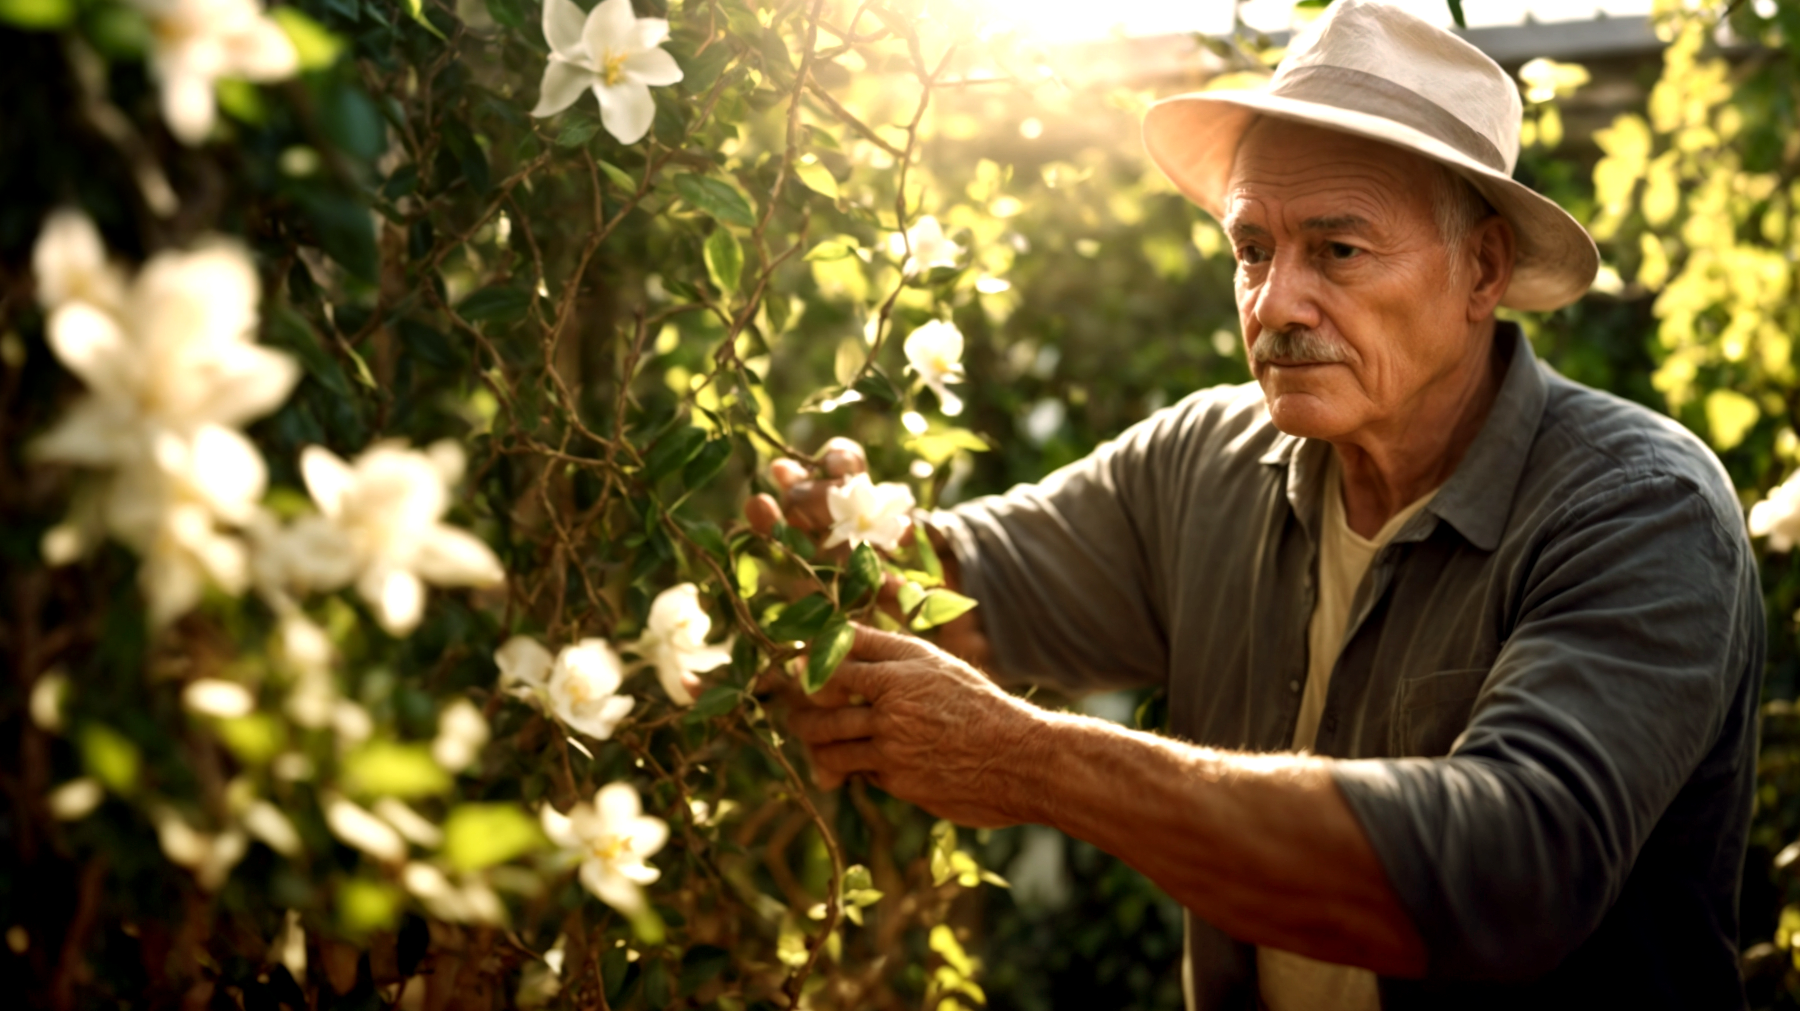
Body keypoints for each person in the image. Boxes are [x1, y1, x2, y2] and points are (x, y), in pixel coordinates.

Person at [747, 2, 1763, 1008]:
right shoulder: (1210, 458)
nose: (1275, 302)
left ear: (1483, 269)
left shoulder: (1640, 507)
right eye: (1252, 249)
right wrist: (843, 551)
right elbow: (966, 595)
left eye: (1339, 251)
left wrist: (1034, 765)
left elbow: (1511, 871)